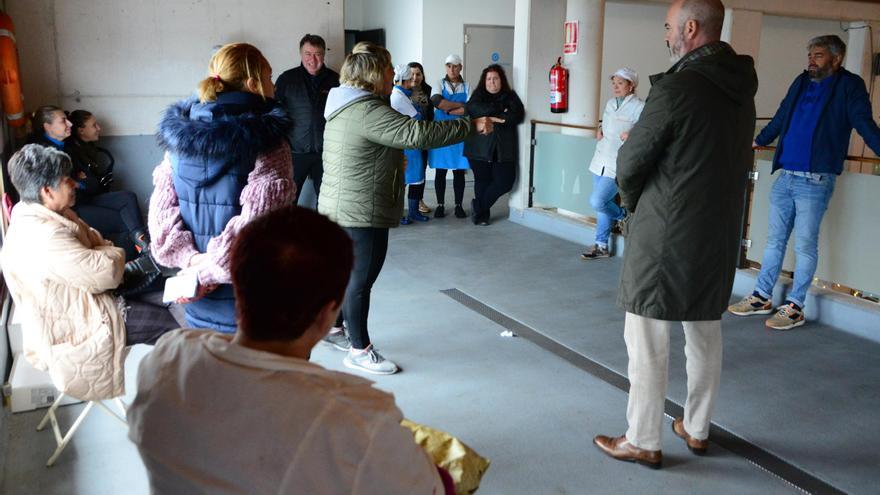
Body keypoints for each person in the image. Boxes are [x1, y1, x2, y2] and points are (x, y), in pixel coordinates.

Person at [128, 205, 454, 495]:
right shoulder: (359, 417)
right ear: (329, 313)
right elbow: (434, 487)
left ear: (238, 286)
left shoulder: (166, 362)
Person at [593, 0, 757, 468]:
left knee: (647, 332)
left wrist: (630, 204)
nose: (665, 35)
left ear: (690, 28)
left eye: (668, 26)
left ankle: (642, 438)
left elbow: (631, 162)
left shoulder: (679, 85)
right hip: (718, 229)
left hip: (666, 229)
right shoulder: (740, 87)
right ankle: (698, 428)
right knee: (704, 328)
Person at [319, 41, 493, 374]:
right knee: (361, 279)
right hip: (360, 207)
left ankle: (335, 327)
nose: (394, 75)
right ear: (373, 75)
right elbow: (416, 133)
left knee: (349, 275)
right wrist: (470, 125)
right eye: (389, 69)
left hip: (344, 203)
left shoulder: (346, 105)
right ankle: (359, 349)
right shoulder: (366, 109)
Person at [0, 144, 177, 401]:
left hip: (90, 300)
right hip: (80, 325)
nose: (74, 184)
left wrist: (104, 252)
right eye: (66, 180)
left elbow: (98, 242)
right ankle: (182, 394)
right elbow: (106, 271)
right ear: (47, 191)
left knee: (174, 298)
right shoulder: (44, 234)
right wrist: (113, 253)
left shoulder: (46, 213)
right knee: (176, 324)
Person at [728, 34, 880, 330]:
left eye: (818, 55)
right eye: (810, 55)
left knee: (805, 246)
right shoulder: (801, 81)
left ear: (836, 58)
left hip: (815, 180)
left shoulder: (849, 86)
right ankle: (761, 296)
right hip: (786, 176)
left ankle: (795, 306)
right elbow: (782, 115)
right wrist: (759, 140)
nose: (811, 60)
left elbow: (864, 123)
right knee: (774, 241)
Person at [149, 42, 295, 334]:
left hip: (197, 302)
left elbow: (161, 226)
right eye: (269, 77)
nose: (274, 86)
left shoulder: (177, 142)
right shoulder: (268, 142)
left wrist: (193, 265)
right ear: (253, 84)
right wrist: (207, 272)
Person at [28, 106, 148, 261]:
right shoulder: (41, 153)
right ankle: (135, 264)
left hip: (84, 197)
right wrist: (77, 182)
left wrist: (79, 182)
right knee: (124, 221)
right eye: (63, 121)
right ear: (47, 126)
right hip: (69, 207)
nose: (70, 124)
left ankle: (144, 247)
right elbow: (64, 186)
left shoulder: (67, 146)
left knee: (128, 197)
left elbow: (92, 182)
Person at [580, 68, 645, 258]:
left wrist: (633, 134)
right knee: (603, 203)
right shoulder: (610, 103)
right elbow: (608, 123)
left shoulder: (640, 106)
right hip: (600, 158)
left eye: (620, 83)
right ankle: (601, 246)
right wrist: (600, 127)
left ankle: (624, 216)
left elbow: (646, 130)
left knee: (598, 201)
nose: (615, 87)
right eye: (614, 83)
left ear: (631, 86)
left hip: (619, 163)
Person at [274, 34, 340, 204]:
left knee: (327, 202)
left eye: (317, 54)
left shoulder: (336, 80)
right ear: (301, 54)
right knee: (288, 200)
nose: (313, 59)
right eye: (308, 54)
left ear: (324, 54)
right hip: (295, 153)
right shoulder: (287, 79)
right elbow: (275, 114)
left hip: (327, 153)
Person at [464, 64, 524, 226]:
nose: (492, 82)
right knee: (482, 181)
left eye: (495, 78)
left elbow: (517, 115)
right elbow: (472, 109)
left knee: (505, 182)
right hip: (478, 148)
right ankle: (482, 217)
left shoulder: (510, 96)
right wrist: (500, 110)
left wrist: (492, 116)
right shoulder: (478, 96)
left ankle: (478, 206)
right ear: (484, 81)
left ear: (501, 80)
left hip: (503, 149)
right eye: (489, 79)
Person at [428, 54, 470, 219]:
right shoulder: (439, 84)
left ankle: (459, 205)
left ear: (461, 67)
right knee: (441, 170)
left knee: (459, 170)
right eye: (449, 66)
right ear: (445, 67)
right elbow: (437, 102)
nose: (452, 69)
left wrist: (449, 108)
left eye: (455, 66)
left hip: (460, 133)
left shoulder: (467, 86)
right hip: (441, 133)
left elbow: (470, 109)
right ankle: (440, 205)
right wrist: (460, 105)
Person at [390, 64, 431, 224]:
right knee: (403, 181)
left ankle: (413, 212)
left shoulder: (401, 94)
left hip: (412, 143)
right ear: (403, 80)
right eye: (409, 80)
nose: (411, 82)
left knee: (415, 179)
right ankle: (398, 214)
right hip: (406, 144)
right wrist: (418, 112)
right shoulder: (398, 96)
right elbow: (417, 117)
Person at [408, 62, 435, 215]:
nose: (415, 77)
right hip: (406, 138)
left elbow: (430, 114)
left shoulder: (428, 91)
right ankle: (398, 203)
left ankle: (418, 200)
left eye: (418, 74)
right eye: (412, 74)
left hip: (423, 136)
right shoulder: (402, 90)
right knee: (403, 171)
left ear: (422, 76)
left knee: (420, 170)